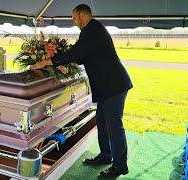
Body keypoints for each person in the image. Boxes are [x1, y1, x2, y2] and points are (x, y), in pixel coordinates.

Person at [31, 4, 133, 178]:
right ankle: (106, 155)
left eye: (74, 17)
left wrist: (48, 61)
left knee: (114, 126)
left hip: (114, 86)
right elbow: (81, 55)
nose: (73, 21)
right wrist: (65, 60)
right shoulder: (92, 30)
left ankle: (120, 165)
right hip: (107, 87)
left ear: (83, 15)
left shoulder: (92, 31)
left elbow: (76, 52)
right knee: (102, 122)